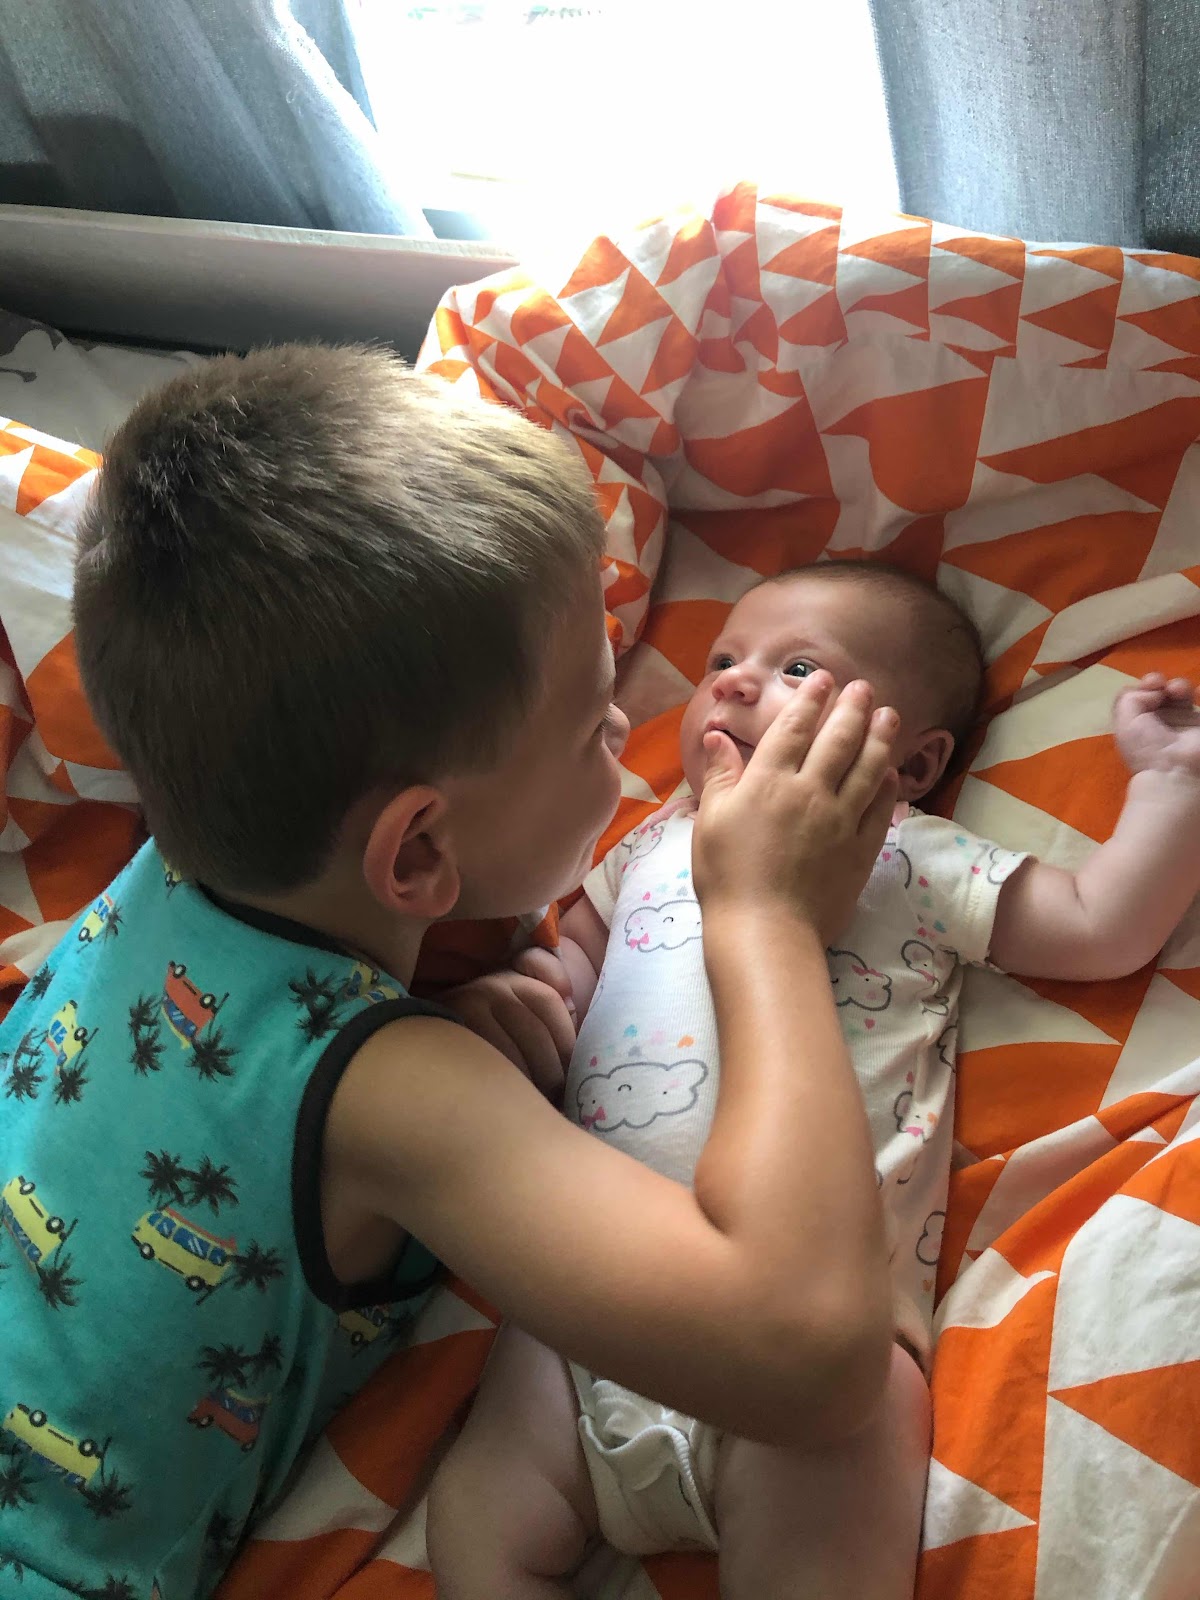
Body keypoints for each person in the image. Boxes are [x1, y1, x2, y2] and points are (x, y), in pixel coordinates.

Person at [0, 346, 904, 1599]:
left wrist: (442, 1017)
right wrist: (767, 917)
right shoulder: (401, 1093)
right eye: (590, 723)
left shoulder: (186, 847)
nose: (625, 730)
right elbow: (813, 1359)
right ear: (419, 851)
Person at [428, 561, 1200, 1599]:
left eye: (797, 668)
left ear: (910, 763)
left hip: (824, 1350)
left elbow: (1104, 925)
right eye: (723, 658)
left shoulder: (907, 854)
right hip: (600, 1300)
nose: (734, 682)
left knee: (848, 1471)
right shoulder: (647, 843)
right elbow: (569, 976)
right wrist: (513, 1009)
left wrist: (1170, 784)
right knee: (473, 1525)